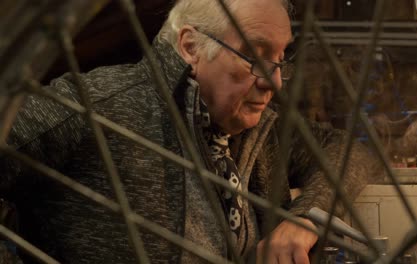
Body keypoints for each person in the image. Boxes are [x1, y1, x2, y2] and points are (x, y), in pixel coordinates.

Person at [0, 0, 379, 263]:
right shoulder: (93, 107)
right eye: (256, 57)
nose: (275, 83)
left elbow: (351, 152)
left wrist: (305, 220)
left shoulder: (256, 125)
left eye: (280, 59)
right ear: (190, 47)